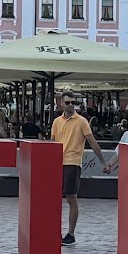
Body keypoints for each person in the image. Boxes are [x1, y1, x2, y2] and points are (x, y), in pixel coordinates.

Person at [49, 94, 104, 245]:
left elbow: (92, 142)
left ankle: (70, 233)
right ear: (61, 103)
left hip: (72, 162)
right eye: (67, 102)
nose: (70, 105)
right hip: (57, 162)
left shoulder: (81, 121)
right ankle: (55, 231)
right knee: (54, 198)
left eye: (73, 102)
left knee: (71, 198)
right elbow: (52, 143)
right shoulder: (56, 121)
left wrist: (103, 162)